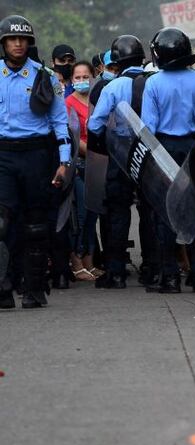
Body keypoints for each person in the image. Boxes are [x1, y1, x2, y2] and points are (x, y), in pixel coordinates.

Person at [0, 15, 71, 309]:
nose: (18, 44)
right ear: (3, 43)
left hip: (37, 156)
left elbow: (59, 120)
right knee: (2, 224)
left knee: (36, 225)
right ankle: (4, 288)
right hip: (3, 156)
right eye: (12, 39)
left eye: (23, 39)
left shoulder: (46, 77)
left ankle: (34, 288)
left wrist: (64, 161)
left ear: (30, 43)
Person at [141, 27, 195, 294]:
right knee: (194, 211)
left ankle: (170, 276)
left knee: (165, 213)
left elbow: (148, 126)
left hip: (164, 147)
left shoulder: (154, 83)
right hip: (193, 147)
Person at [87, 34, 149, 290]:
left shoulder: (112, 87)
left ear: (117, 60)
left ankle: (116, 273)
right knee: (150, 211)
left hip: (121, 154)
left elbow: (94, 124)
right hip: (149, 154)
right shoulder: (153, 83)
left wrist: (107, 145)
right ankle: (152, 267)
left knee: (117, 212)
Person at [64, 60, 101, 282]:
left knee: (92, 215)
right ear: (71, 80)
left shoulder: (97, 101)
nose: (81, 81)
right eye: (77, 77)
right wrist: (96, 151)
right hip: (79, 165)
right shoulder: (68, 103)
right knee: (79, 215)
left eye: (85, 76)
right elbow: (73, 138)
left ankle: (89, 261)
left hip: (97, 166)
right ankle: (76, 263)